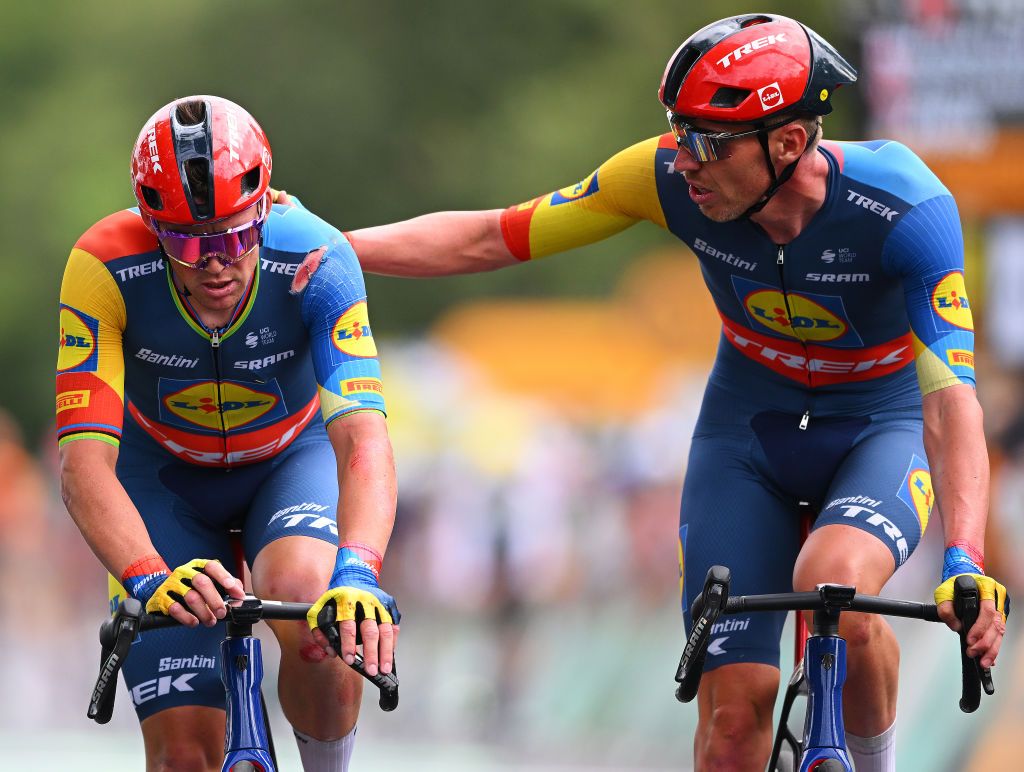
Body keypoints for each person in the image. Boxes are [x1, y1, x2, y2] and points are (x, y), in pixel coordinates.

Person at [310, 13, 1008, 771]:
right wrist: (321, 246)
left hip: (879, 422)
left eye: (710, 141)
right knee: (734, 718)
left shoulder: (905, 203)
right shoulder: (663, 179)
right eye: (679, 132)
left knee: (834, 587)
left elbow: (951, 401)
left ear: (788, 142)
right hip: (748, 431)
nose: (684, 160)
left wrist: (964, 556)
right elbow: (493, 235)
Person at [57, 95, 399, 772]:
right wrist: (148, 578)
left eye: (237, 237)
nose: (216, 264)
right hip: (162, 480)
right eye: (188, 244)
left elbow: (363, 441)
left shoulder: (317, 257)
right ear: (152, 229)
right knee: (183, 753)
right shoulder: (103, 267)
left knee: (312, 610)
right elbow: (83, 466)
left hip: (285, 464)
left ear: (265, 209)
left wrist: (359, 571)